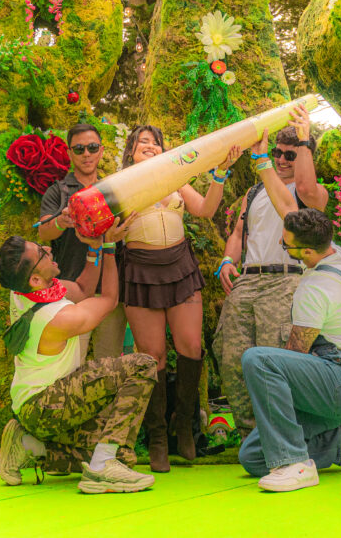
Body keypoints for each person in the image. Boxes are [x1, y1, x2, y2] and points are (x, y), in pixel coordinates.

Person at [0, 214, 159, 495]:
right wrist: (108, 247)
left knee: (114, 451)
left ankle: (28, 444)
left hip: (34, 407)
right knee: (142, 364)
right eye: (41, 253)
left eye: (40, 246)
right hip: (46, 405)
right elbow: (108, 300)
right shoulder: (55, 318)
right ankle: (104, 467)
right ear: (35, 278)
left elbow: (82, 289)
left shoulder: (25, 291)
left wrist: (93, 248)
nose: (48, 249)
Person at [120, 125, 240, 472]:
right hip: (141, 269)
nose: (150, 146)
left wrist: (219, 174)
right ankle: (157, 436)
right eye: (142, 142)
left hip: (180, 266)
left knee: (190, 345)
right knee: (152, 354)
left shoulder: (175, 178)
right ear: (131, 150)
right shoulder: (123, 182)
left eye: (155, 142)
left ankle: (185, 423)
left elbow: (204, 209)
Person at [237, 205, 341, 492]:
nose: (281, 245)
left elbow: (295, 352)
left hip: (338, 382)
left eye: (287, 246)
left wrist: (273, 395)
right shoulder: (337, 254)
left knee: (258, 360)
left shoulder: (315, 289)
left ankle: (296, 464)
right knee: (252, 456)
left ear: (308, 253)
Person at [213, 104, 328, 438]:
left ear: (305, 156)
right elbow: (238, 232)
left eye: (290, 156)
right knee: (232, 358)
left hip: (284, 280)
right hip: (247, 281)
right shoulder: (255, 190)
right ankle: (254, 437)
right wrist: (227, 260)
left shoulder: (311, 194)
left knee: (274, 361)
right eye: (277, 152)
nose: (280, 160)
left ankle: (282, 436)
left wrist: (299, 143)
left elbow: (297, 203)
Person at [39, 123, 126, 361]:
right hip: (71, 293)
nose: (86, 154)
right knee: (69, 367)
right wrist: (61, 222)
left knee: (108, 367)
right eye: (79, 149)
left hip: (109, 293)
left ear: (101, 150)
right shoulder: (58, 191)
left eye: (92, 147)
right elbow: (44, 232)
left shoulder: (113, 189)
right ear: (69, 153)